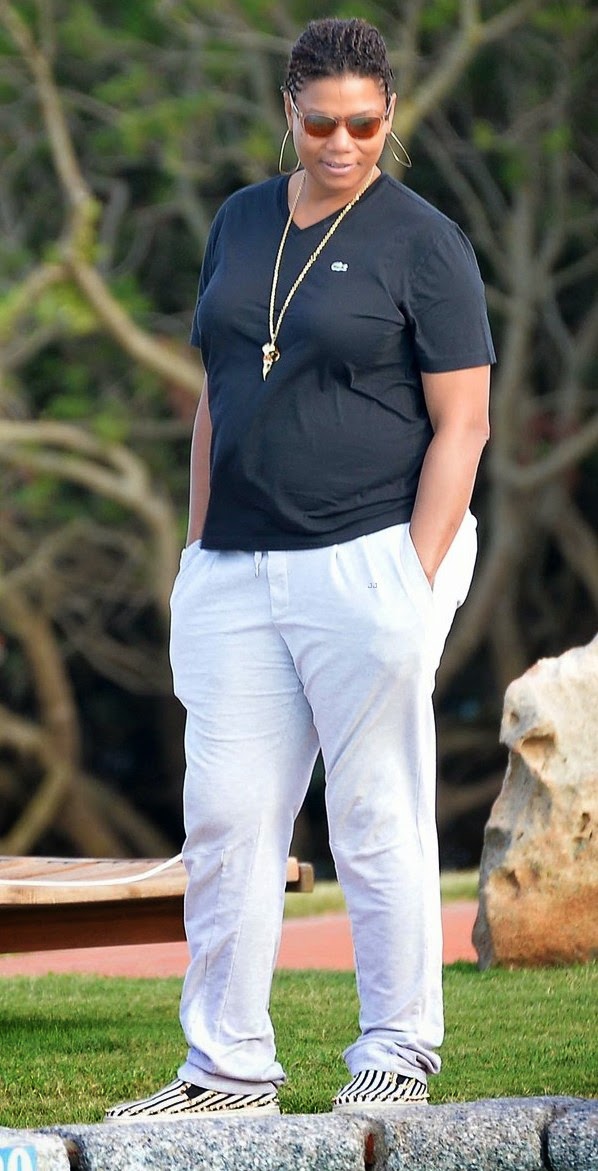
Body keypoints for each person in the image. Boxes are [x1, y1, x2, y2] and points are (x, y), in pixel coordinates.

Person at [106, 16, 495, 1121]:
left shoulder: (425, 242)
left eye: (363, 125)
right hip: (235, 564)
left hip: (370, 556)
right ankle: (225, 1071)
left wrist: (412, 580)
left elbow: (463, 425)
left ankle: (396, 1053)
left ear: (389, 114)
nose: (341, 144)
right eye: (321, 123)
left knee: (374, 812)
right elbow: (217, 398)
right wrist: (196, 551)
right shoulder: (238, 221)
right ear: (289, 111)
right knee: (228, 820)